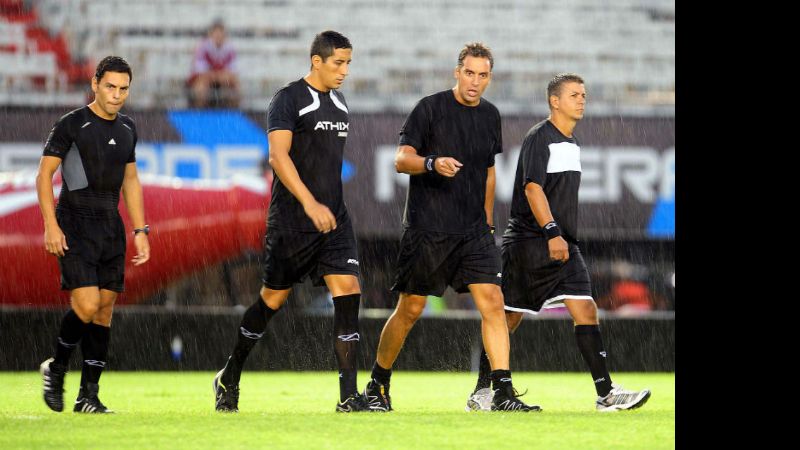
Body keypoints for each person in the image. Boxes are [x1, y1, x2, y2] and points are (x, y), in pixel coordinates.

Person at [362, 43, 539, 412]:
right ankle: (378, 384)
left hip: (474, 231)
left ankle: (501, 392)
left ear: (490, 78)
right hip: (429, 227)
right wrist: (431, 163)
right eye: (470, 73)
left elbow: (490, 172)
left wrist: (487, 221)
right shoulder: (430, 108)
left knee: (493, 303)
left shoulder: (491, 115)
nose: (475, 81)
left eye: (483, 75)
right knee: (410, 309)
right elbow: (400, 160)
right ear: (457, 72)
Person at [212, 30, 379, 413]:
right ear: (316, 61)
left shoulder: (340, 104)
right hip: (292, 222)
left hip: (334, 221)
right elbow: (278, 157)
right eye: (338, 62)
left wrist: (327, 207)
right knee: (272, 300)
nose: (345, 71)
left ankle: (348, 397)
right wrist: (309, 204)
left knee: (349, 292)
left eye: (348, 63)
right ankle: (230, 375)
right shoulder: (287, 99)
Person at [465, 73, 652, 412]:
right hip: (530, 243)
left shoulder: (573, 143)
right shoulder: (540, 137)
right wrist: (551, 230)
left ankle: (606, 393)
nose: (582, 99)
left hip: (565, 244)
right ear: (555, 101)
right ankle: (483, 391)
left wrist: (560, 235)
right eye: (574, 94)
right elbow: (531, 188)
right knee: (507, 318)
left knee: (586, 308)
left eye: (584, 94)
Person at [37, 56, 150, 414]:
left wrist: (140, 230)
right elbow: (44, 176)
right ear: (95, 84)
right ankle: (56, 369)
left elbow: (131, 180)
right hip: (74, 223)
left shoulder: (128, 128)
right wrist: (50, 225)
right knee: (85, 306)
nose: (117, 95)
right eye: (110, 86)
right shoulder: (71, 124)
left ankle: (89, 396)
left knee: (103, 312)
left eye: (123, 89)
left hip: (110, 228)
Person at [188, 19, 240, 108]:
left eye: (221, 33)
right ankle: (200, 111)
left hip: (221, 79)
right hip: (207, 79)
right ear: (211, 34)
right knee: (201, 86)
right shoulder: (202, 47)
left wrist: (218, 76)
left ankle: (232, 111)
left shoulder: (229, 49)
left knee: (235, 85)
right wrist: (217, 76)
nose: (218, 36)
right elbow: (200, 70)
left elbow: (233, 70)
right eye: (216, 34)